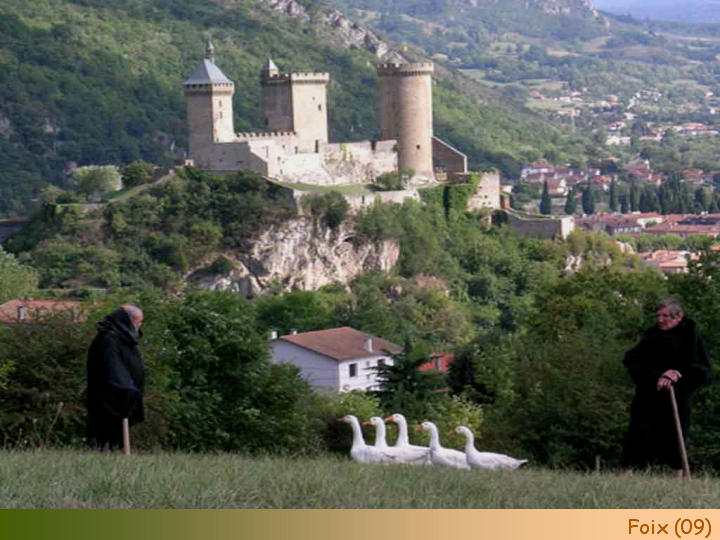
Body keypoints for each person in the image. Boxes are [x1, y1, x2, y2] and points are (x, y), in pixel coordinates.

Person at [620, 299, 711, 478]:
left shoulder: (691, 337)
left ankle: (677, 477)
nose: (660, 320)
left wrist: (677, 374)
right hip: (648, 396)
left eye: (665, 316)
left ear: (679, 317)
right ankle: (626, 475)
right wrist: (659, 374)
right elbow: (632, 361)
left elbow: (701, 369)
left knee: (675, 437)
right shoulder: (651, 336)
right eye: (658, 316)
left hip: (678, 396)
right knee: (638, 434)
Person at [86, 304, 146, 451]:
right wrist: (125, 387)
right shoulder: (108, 339)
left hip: (122, 396)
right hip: (110, 395)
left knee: (117, 439)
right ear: (128, 321)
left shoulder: (122, 337)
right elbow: (112, 366)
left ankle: (115, 455)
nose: (140, 325)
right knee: (106, 434)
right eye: (138, 321)